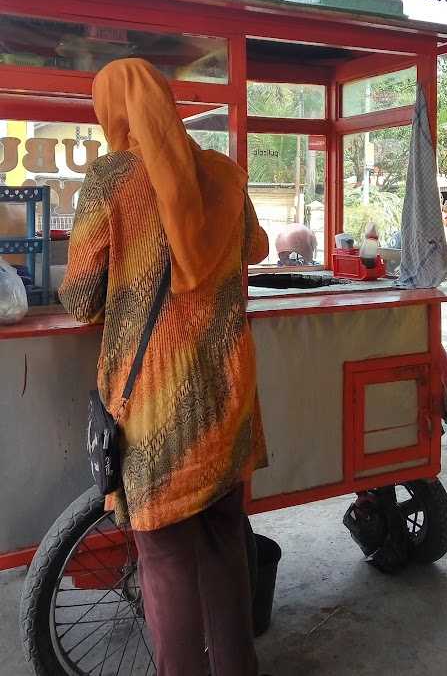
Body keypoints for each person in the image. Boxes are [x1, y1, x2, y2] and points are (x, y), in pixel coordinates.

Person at [59, 58, 270, 676]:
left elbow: (80, 300)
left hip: (155, 407)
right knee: (227, 539)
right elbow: (254, 248)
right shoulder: (223, 173)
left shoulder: (107, 181)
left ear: (113, 112)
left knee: (166, 559)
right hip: (229, 394)